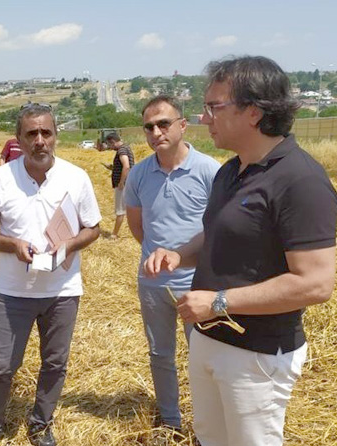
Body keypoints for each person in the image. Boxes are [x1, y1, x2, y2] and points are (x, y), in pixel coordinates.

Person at [145, 56, 337, 446]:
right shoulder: (231, 171)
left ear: (253, 112)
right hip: (210, 339)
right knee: (209, 439)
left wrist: (218, 302)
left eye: (214, 107)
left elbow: (316, 283)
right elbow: (214, 234)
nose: (203, 118)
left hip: (257, 355)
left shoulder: (300, 180)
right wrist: (181, 255)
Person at [0, 103, 101, 446]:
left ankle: (41, 424)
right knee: (2, 366)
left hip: (62, 290)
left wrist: (70, 245)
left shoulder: (77, 177)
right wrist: (12, 244)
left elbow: (94, 228)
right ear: (19, 139)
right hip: (14, 291)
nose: (40, 140)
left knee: (55, 364)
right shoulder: (0, 179)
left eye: (46, 132)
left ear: (56, 135)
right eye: (32, 134)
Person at [124, 95, 220, 437]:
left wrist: (183, 257)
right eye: (149, 126)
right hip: (153, 284)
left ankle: (207, 426)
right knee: (160, 353)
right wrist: (156, 258)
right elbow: (138, 228)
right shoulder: (138, 174)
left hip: (199, 283)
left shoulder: (210, 170)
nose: (156, 132)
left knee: (205, 357)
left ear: (182, 125)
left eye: (163, 123)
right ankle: (170, 421)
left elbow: (220, 228)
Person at [101, 132, 134, 239]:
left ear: (113, 142)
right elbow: (122, 166)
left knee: (120, 210)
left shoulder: (121, 150)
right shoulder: (126, 148)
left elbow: (126, 166)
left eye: (110, 145)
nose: (110, 147)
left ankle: (114, 234)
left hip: (123, 185)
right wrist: (111, 167)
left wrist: (121, 182)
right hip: (127, 183)